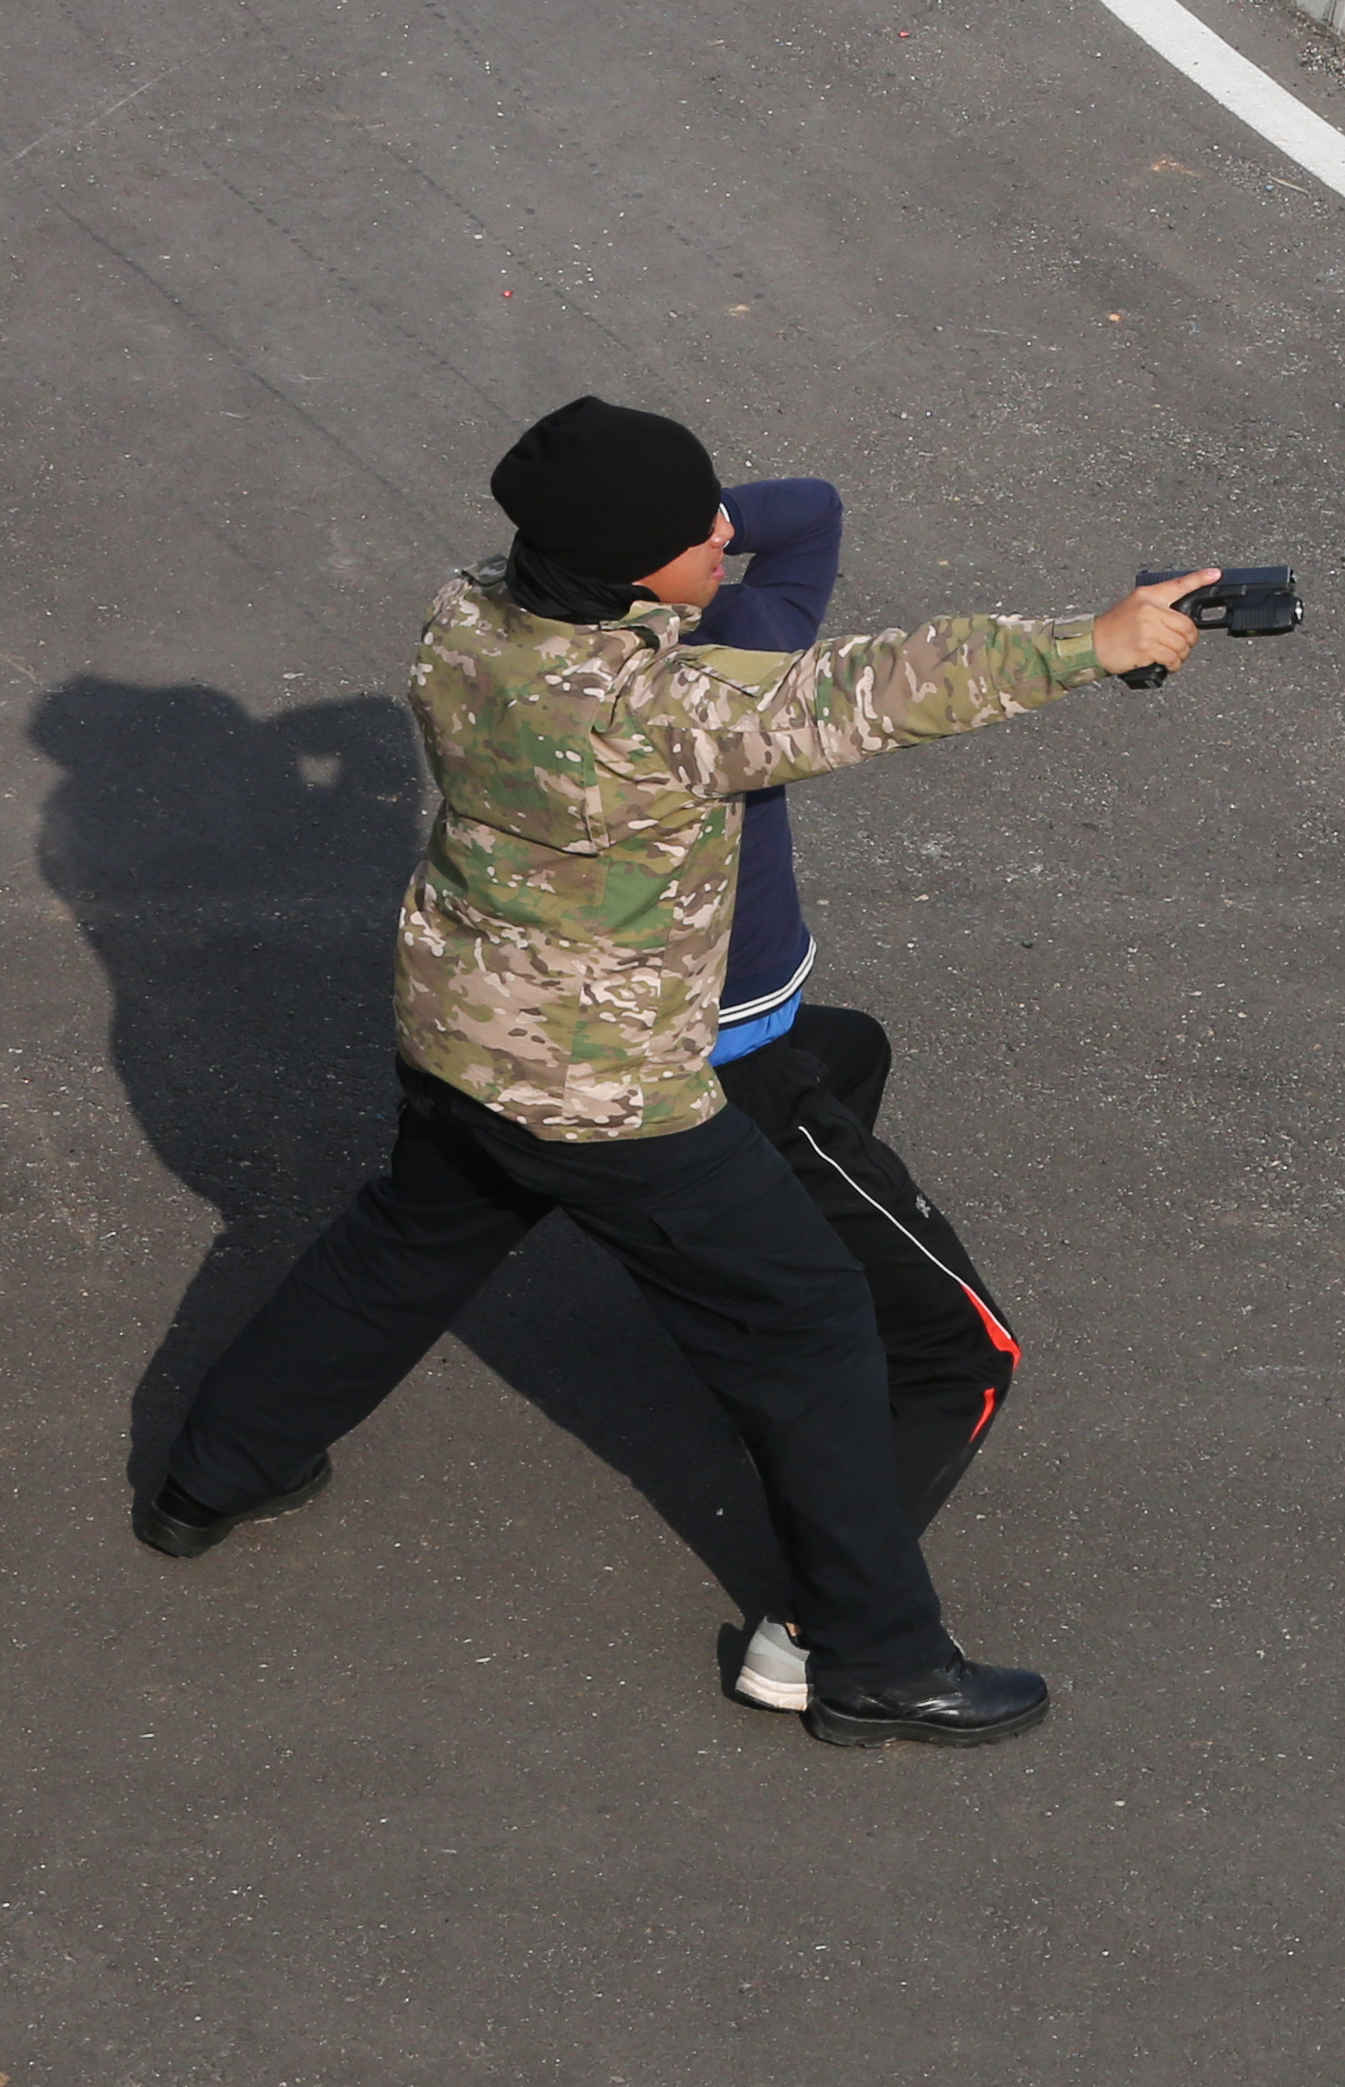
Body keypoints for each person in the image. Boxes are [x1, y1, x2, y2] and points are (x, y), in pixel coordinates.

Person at [136, 397, 1219, 1747]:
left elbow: (653, 545)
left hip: (463, 1032)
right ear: (634, 568)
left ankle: (212, 1477)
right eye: (701, 527)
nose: (727, 531)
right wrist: (1098, 643)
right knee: (818, 1321)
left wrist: (673, 521)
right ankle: (877, 1657)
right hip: (606, 1097)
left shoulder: (465, 616)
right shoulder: (670, 711)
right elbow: (882, 686)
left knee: (401, 1248)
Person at [695, 477, 1029, 1720]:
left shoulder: (516, 652)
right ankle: (816, 1632)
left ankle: (227, 1461)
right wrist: (714, 515)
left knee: (856, 1048)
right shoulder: (739, 668)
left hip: (552, 1046)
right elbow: (815, 509)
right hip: (721, 1061)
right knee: (963, 1348)